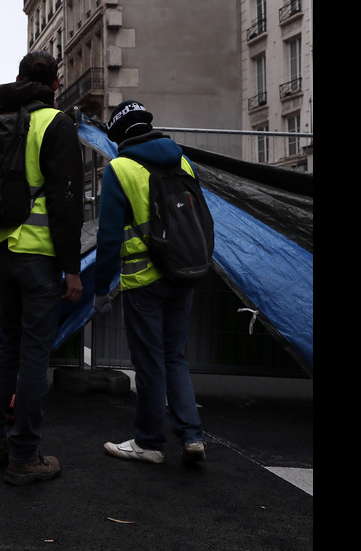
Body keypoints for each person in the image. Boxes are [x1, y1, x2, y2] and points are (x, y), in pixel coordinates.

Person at [0, 50, 85, 485]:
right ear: (55, 85)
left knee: (10, 345)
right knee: (35, 352)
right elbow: (65, 201)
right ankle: (24, 455)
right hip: (38, 254)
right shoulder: (56, 124)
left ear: (17, 79)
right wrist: (71, 268)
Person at [93, 100, 206, 464]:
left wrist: (99, 290)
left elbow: (109, 237)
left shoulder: (120, 169)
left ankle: (150, 443)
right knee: (175, 356)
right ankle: (192, 437)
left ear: (120, 136)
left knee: (149, 362)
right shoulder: (183, 161)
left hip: (143, 280)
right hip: (183, 273)